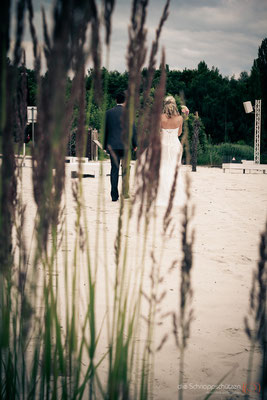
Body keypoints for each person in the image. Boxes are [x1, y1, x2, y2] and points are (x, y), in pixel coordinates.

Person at [104, 92, 137, 202]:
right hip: (126, 145)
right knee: (126, 169)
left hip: (112, 145)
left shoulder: (108, 113)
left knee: (114, 169)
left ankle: (114, 196)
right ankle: (125, 193)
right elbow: (133, 129)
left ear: (115, 100)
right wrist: (135, 144)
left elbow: (105, 130)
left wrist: (105, 145)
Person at [156, 95, 185, 207]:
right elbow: (178, 133)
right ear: (174, 105)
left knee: (163, 167)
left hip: (163, 145)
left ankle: (162, 194)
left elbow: (158, 132)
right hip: (174, 146)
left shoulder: (160, 117)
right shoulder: (180, 118)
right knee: (174, 169)